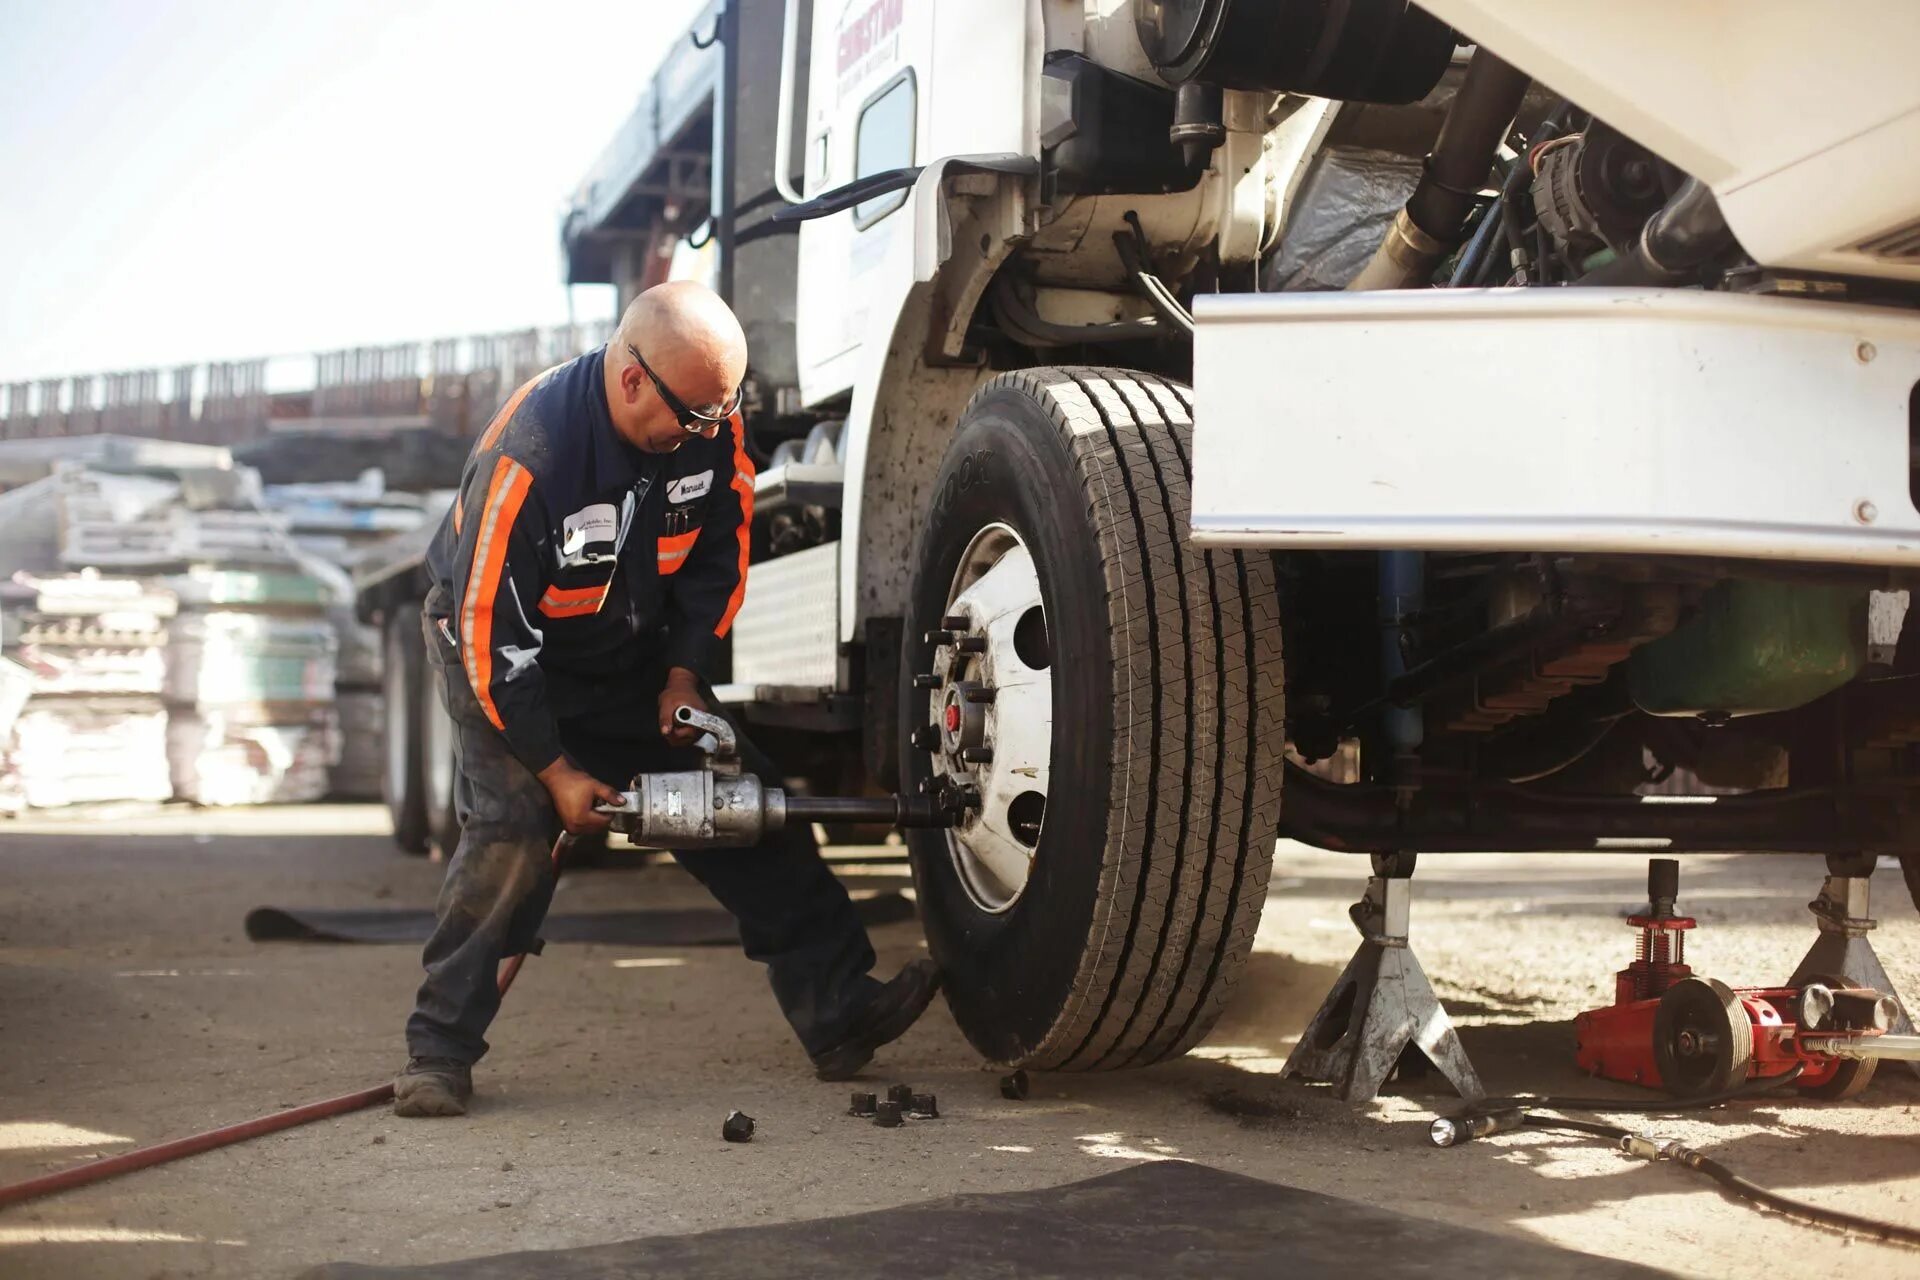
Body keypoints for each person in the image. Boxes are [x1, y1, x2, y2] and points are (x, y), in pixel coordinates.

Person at [393, 282, 940, 1118]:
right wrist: (554, 769)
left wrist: (684, 676)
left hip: (632, 659)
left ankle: (838, 1010)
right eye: (692, 418)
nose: (706, 436)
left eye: (719, 418)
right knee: (513, 834)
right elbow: (487, 636)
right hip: (504, 665)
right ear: (633, 379)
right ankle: (438, 1050)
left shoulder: (708, 428)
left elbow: (722, 553)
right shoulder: (531, 457)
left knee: (742, 804)